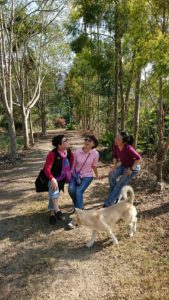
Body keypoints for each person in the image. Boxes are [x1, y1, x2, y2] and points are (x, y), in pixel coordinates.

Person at [67, 135, 99, 229]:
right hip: (76, 174)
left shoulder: (95, 154)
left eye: (89, 140)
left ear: (94, 144)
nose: (87, 141)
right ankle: (79, 206)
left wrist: (97, 175)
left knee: (78, 192)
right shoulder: (77, 151)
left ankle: (76, 219)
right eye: (86, 139)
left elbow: (94, 166)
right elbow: (74, 164)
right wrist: (71, 173)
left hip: (87, 176)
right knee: (71, 190)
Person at [103, 131, 141, 207]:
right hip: (123, 166)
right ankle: (116, 196)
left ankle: (107, 205)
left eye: (119, 139)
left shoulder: (128, 148)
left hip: (133, 168)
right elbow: (115, 157)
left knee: (120, 185)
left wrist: (131, 169)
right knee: (111, 176)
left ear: (124, 142)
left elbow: (139, 158)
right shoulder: (115, 145)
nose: (116, 139)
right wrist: (114, 167)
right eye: (116, 137)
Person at [44, 135, 73, 225]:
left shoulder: (68, 152)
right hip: (52, 177)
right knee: (54, 192)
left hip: (63, 178)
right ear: (59, 145)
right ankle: (56, 211)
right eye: (65, 140)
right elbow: (47, 169)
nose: (68, 141)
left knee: (53, 195)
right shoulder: (52, 154)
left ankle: (52, 212)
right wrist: (52, 179)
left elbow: (71, 164)